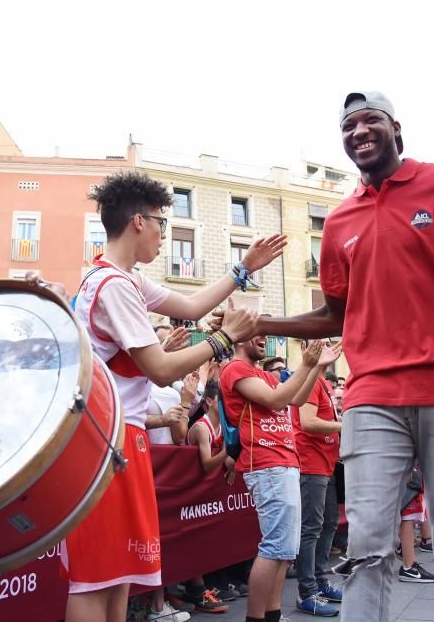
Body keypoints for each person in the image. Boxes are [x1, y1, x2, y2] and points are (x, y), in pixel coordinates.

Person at [228, 91, 434, 622]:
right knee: (367, 546)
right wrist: (266, 322)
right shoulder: (341, 221)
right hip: (372, 396)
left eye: (369, 120)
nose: (358, 130)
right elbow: (334, 315)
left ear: (397, 128)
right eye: (347, 125)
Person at [65, 170, 283, 622]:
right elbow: (160, 369)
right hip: (104, 442)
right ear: (139, 222)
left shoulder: (123, 280)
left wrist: (244, 269)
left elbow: (191, 307)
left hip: (119, 440)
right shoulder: (113, 286)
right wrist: (224, 340)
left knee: (117, 572)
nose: (166, 234)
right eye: (163, 223)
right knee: (94, 577)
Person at [220, 335, 340, 622]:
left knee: (285, 550)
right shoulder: (236, 369)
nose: (263, 337)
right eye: (256, 331)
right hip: (266, 462)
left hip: (284, 461)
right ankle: (256, 618)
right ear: (238, 337)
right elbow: (276, 399)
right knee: (275, 546)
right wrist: (308, 365)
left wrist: (314, 368)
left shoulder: (262, 374)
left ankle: (272, 615)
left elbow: (295, 398)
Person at [291, 341, 344, 617]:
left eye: (328, 344)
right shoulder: (313, 381)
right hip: (310, 462)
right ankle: (307, 591)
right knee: (312, 527)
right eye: (319, 344)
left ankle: (320, 582)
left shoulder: (323, 383)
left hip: (326, 462)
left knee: (328, 523)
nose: (328, 349)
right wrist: (345, 425)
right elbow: (308, 422)